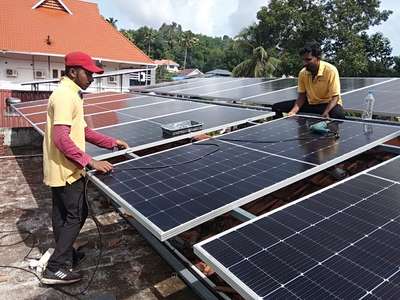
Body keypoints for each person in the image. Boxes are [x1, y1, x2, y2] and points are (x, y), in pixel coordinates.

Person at [41, 51, 128, 285]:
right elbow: (61, 139)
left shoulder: (71, 94)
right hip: (67, 169)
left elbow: (82, 131)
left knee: (62, 215)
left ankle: (65, 255)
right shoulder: (65, 97)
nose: (91, 77)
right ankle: (57, 267)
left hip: (61, 167)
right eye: (87, 73)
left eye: (93, 73)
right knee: (77, 214)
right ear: (72, 72)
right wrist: (90, 161)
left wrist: (110, 142)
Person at [272, 42, 345, 119]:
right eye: (303, 60)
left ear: (318, 58)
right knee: (276, 107)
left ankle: (333, 130)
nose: (305, 63)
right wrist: (293, 111)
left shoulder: (330, 70)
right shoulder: (303, 73)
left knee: (338, 114)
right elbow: (302, 96)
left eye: (308, 59)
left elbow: (335, 97)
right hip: (311, 103)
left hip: (327, 104)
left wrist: (326, 112)